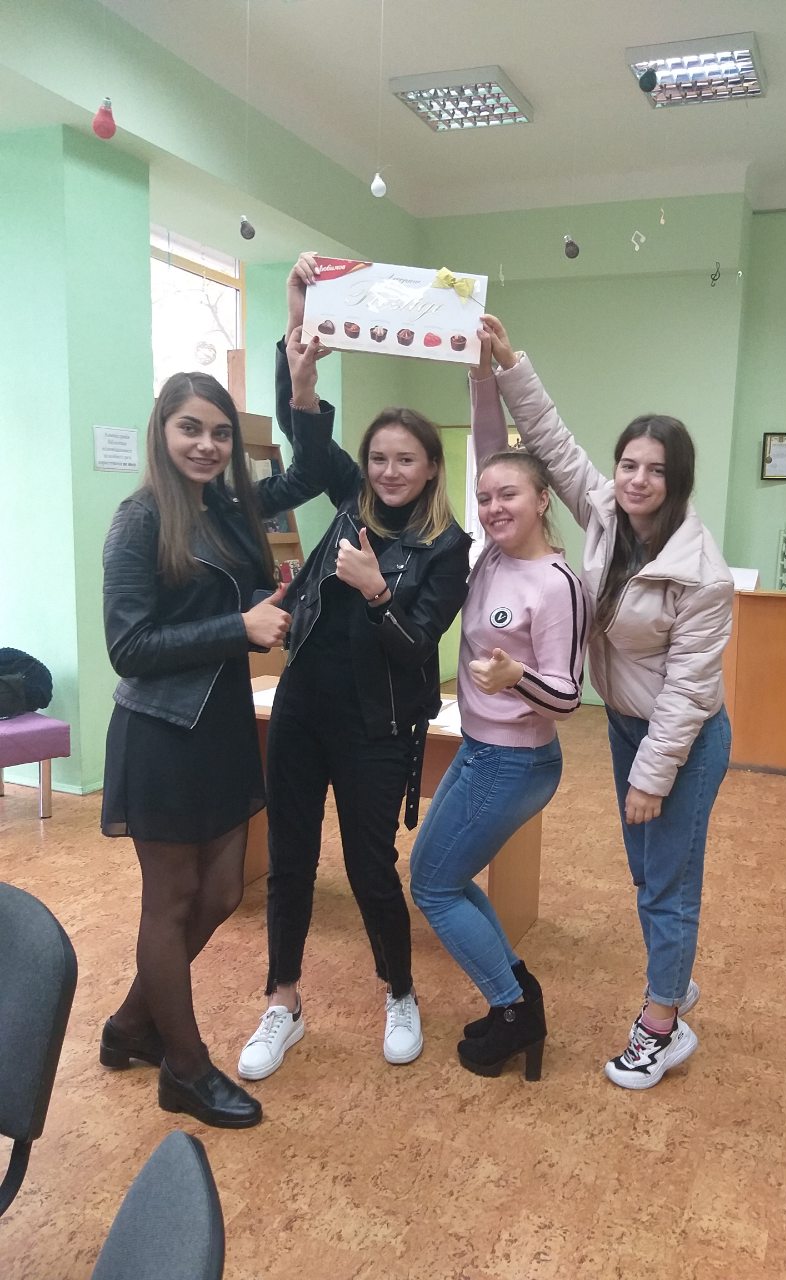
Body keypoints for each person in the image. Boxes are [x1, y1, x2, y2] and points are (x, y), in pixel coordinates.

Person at [477, 315, 733, 1091]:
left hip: (681, 738)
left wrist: (653, 775)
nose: (637, 479)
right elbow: (551, 442)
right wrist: (509, 363)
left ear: (677, 481)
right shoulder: (605, 517)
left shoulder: (702, 574)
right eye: (628, 464)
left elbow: (689, 691)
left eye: (656, 470)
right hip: (626, 724)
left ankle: (663, 1023)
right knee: (649, 872)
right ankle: (673, 974)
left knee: (668, 880)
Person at [236, 254, 471, 1082]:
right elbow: (308, 438)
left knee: (370, 869)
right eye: (378, 459)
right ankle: (282, 1000)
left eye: (405, 460)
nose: (388, 472)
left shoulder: (447, 547)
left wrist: (376, 591)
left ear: (431, 467)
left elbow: (419, 646)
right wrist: (297, 321)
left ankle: (399, 991)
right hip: (303, 708)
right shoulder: (349, 502)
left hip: (379, 726)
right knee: (291, 859)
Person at [100, 369, 329, 1128]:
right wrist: (238, 628)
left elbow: (313, 471)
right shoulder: (139, 520)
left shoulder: (229, 508)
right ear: (162, 431)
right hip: (162, 733)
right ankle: (186, 1068)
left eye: (220, 432)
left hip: (222, 725)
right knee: (169, 902)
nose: (206, 445)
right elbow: (129, 647)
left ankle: (132, 1024)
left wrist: (301, 385)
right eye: (190, 428)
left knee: (225, 892)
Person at [409, 340, 588, 1081]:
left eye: (508, 496)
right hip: (480, 749)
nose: (492, 508)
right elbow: (493, 451)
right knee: (446, 880)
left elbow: (569, 695)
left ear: (543, 499)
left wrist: (517, 678)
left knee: (432, 885)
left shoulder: (556, 582)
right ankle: (517, 995)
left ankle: (514, 1007)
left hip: (516, 760)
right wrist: (481, 372)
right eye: (484, 499)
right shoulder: (493, 552)